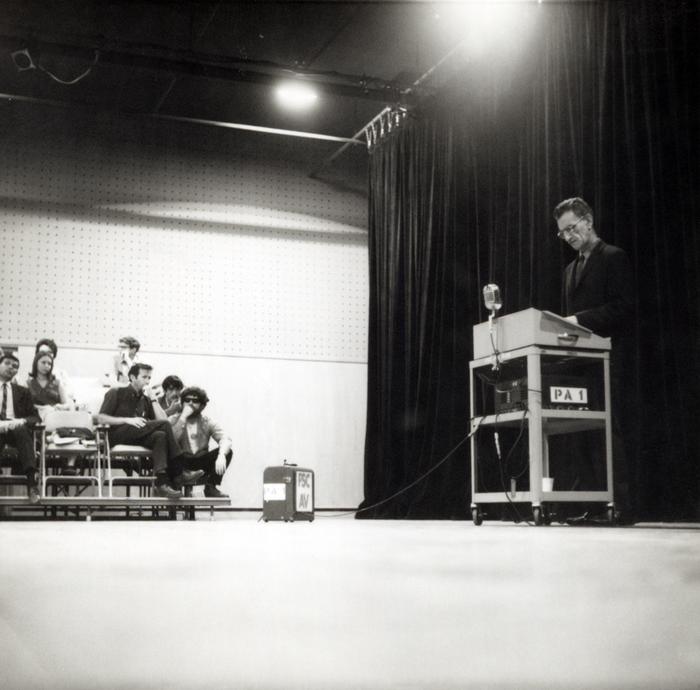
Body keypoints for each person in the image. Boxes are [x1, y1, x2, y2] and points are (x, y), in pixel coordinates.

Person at [554, 196, 635, 523]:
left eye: (572, 228)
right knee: (580, 433)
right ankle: (591, 505)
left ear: (588, 221)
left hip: (608, 358)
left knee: (608, 431)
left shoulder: (614, 257)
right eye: (562, 233)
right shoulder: (569, 270)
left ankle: (619, 506)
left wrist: (578, 320)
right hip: (578, 363)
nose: (569, 236)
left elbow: (623, 307)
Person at [97, 363, 204, 499]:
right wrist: (127, 420)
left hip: (137, 434)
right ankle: (179, 471)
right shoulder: (116, 392)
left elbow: (161, 420)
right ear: (132, 377)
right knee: (163, 426)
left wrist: (153, 398)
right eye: (144, 377)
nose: (147, 381)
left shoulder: (146, 398)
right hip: (116, 434)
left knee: (160, 435)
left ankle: (162, 484)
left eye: (149, 378)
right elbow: (100, 418)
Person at [168, 386, 232, 498]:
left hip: (200, 462)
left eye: (195, 400)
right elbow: (171, 440)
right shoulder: (173, 419)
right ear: (182, 403)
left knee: (228, 451)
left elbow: (225, 439)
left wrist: (221, 455)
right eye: (187, 400)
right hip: (181, 462)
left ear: (202, 405)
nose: (190, 403)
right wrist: (183, 417)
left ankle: (210, 487)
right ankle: (175, 485)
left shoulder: (207, 421)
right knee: (170, 451)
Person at [0, 353, 41, 503]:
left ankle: (32, 485)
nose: (11, 367)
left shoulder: (22, 391)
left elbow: (35, 417)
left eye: (15, 366)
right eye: (7, 363)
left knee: (22, 430)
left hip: (15, 428)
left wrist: (21, 420)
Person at [26, 351, 73, 418]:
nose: (46, 366)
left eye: (49, 364)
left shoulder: (57, 383)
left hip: (55, 418)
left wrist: (60, 406)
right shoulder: (28, 384)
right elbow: (25, 405)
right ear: (36, 363)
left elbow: (67, 405)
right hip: (35, 420)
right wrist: (44, 408)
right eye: (43, 362)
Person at [35, 338, 75, 404]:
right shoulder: (31, 377)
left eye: (49, 352)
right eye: (42, 352)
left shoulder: (62, 374)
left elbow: (70, 398)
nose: (45, 355)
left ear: (54, 355)